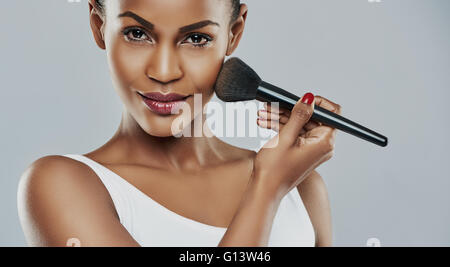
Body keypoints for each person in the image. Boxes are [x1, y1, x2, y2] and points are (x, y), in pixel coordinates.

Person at [17, 0, 341, 247]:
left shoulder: (301, 187)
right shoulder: (60, 186)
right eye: (137, 34)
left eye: (197, 38)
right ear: (98, 25)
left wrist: (276, 182)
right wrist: (266, 189)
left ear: (234, 33)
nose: (164, 71)